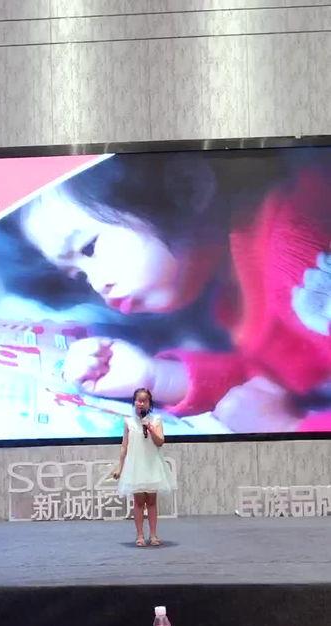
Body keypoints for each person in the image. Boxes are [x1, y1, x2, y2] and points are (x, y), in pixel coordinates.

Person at [20, 151, 331, 433]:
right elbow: (267, 386)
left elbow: (279, 405)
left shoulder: (299, 252)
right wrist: (154, 377)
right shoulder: (232, 291)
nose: (97, 283)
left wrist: (288, 427)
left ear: (187, 186)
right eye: (79, 274)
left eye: (89, 248)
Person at [113, 388, 175, 547]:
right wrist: (120, 467)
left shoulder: (156, 420)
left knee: (152, 501)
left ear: (149, 403)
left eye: (144, 400)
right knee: (139, 502)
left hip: (152, 464)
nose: (141, 403)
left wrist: (151, 428)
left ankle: (153, 535)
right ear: (134, 402)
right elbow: (124, 446)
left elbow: (160, 442)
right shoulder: (128, 422)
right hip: (136, 466)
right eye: (138, 400)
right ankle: (140, 535)